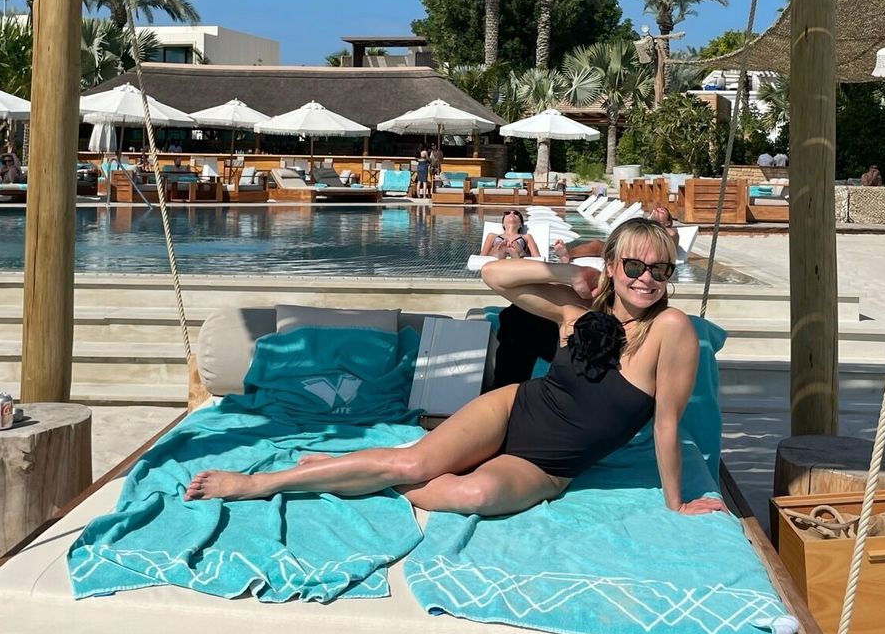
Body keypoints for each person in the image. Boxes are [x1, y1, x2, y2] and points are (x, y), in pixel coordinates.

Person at [185, 219, 719, 517]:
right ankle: (261, 483)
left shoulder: (671, 329)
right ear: (612, 266)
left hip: (549, 465)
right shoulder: (576, 312)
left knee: (474, 495)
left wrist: (677, 504)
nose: (646, 278)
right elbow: (494, 275)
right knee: (411, 463)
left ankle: (346, 472)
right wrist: (563, 272)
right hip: (512, 411)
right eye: (634, 265)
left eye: (660, 269)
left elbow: (667, 424)